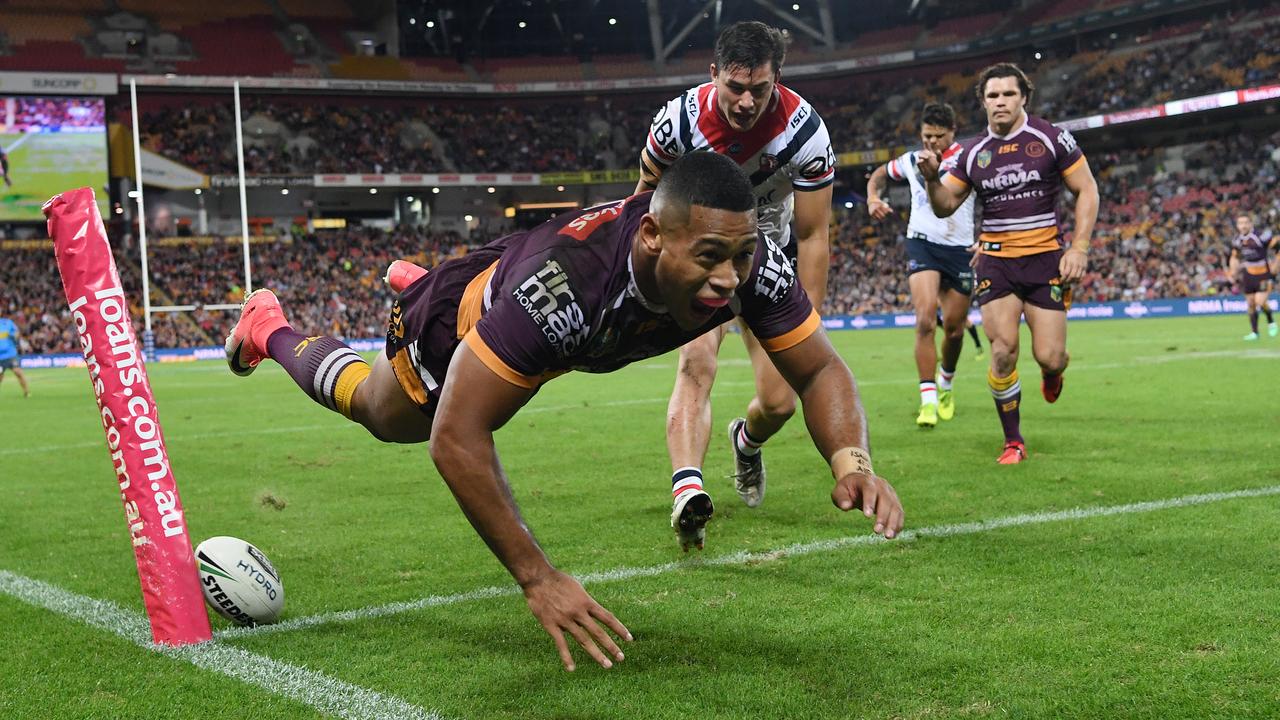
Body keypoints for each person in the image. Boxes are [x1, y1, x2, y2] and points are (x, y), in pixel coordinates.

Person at [225, 153, 903, 671]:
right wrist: (538, 577)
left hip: (537, 311)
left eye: (740, 254)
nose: (729, 278)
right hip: (466, 323)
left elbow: (817, 368)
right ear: (651, 239)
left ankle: (432, 281)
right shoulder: (564, 289)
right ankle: (270, 328)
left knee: (523, 342)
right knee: (388, 415)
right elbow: (459, 438)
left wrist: (852, 459)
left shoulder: (750, 266)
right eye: (709, 258)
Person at [633, 21, 836, 548]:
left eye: (760, 89)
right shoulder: (675, 122)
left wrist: (806, 317)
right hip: (700, 258)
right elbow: (642, 207)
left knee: (780, 403)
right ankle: (688, 491)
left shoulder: (805, 132)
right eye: (735, 87)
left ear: (778, 79)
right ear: (713, 75)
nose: (746, 101)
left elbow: (814, 235)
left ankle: (745, 444)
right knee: (696, 363)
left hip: (769, 258)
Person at [916, 62, 1099, 464]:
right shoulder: (972, 152)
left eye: (1008, 94)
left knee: (1050, 356)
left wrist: (1080, 248)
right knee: (1002, 351)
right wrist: (932, 179)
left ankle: (1053, 374)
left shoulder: (1051, 138)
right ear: (982, 102)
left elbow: (1086, 189)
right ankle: (1013, 441)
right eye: (992, 95)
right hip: (996, 263)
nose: (1000, 101)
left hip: (1045, 260)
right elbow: (946, 205)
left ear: (1024, 98)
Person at [867, 102, 976, 428]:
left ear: (952, 133)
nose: (932, 143)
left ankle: (946, 384)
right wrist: (874, 197)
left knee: (955, 329)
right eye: (927, 136)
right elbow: (879, 175)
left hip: (959, 247)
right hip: (922, 243)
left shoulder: (967, 159)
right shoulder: (912, 160)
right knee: (925, 318)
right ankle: (927, 401)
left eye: (939, 136)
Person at [1228, 214, 1278, 340]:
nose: (1243, 226)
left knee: (1260, 302)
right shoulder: (1237, 240)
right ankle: (1255, 333)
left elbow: (1278, 249)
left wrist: (1275, 267)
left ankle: (1271, 321)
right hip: (1248, 274)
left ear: (1251, 224)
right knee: (1250, 304)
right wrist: (1233, 270)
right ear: (1237, 226)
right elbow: (1234, 256)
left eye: (1245, 223)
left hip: (1263, 274)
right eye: (1240, 223)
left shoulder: (1261, 236)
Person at [0, 313, 30, 397]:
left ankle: (26, 392)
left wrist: (14, 336)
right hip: (0, 358)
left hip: (10, 354)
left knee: (18, 372)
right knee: (0, 377)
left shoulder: (7, 323)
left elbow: (16, 333)